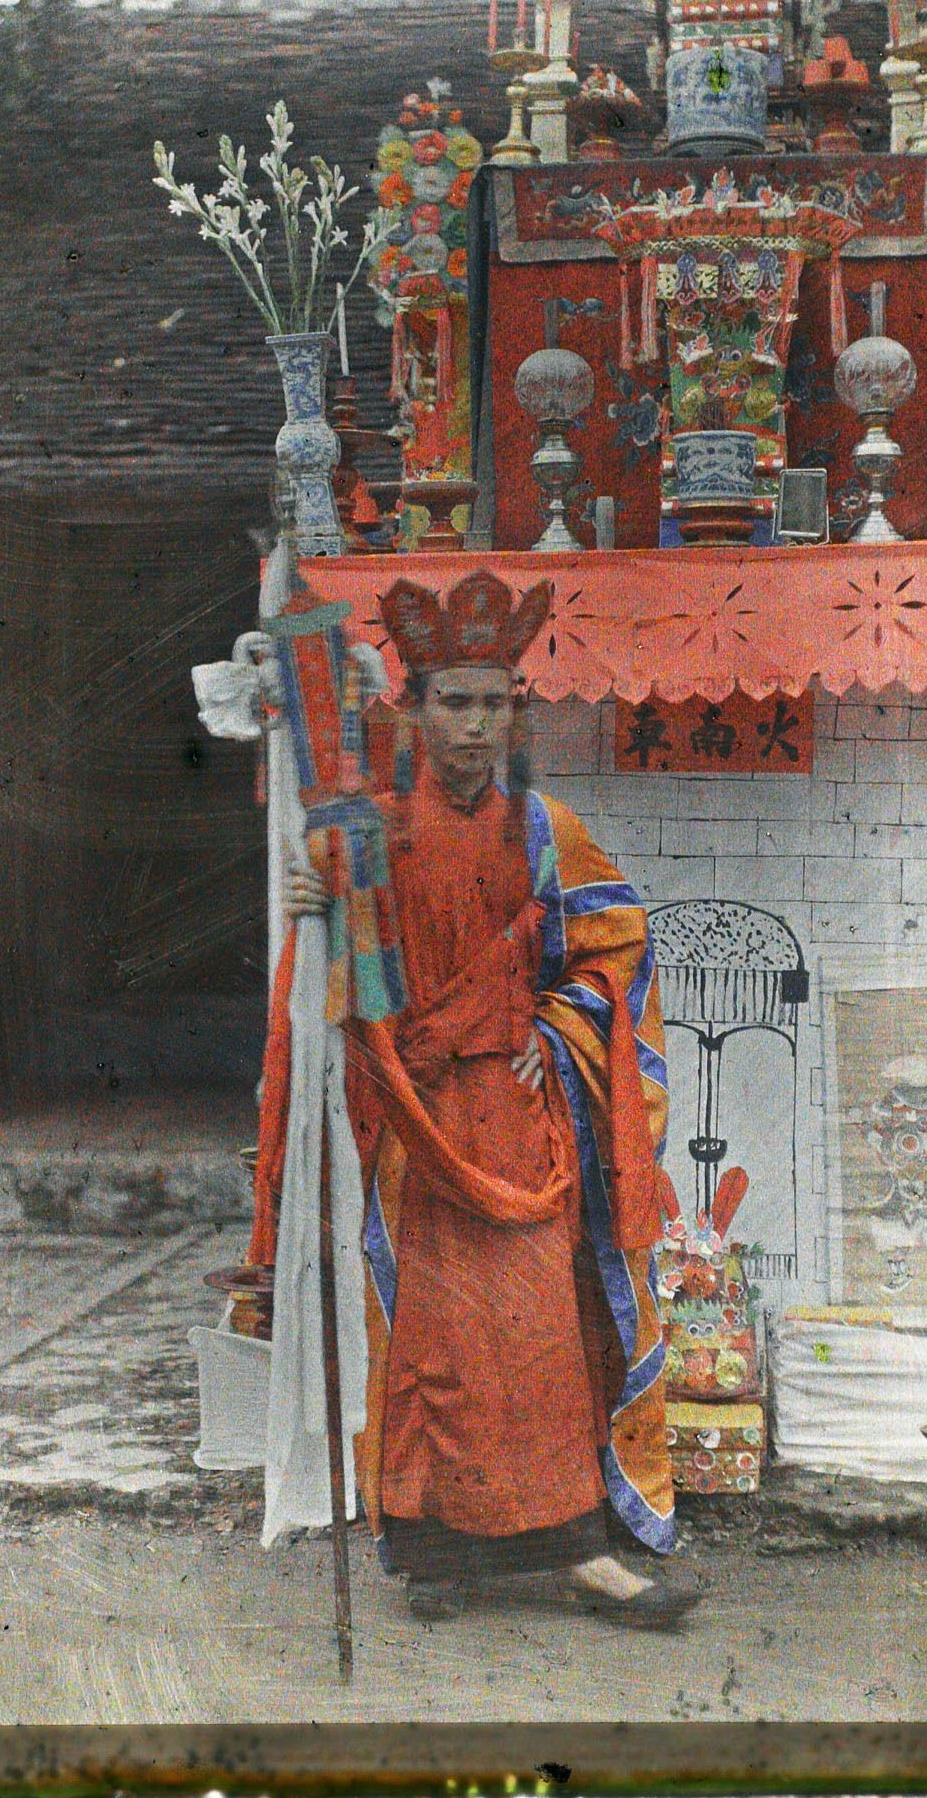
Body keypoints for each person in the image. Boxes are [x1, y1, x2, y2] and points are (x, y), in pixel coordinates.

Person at [256, 570, 695, 1628]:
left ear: (515, 708)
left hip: (517, 1112)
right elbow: (341, 993)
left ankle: (582, 1552)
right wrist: (317, 908)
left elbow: (611, 947)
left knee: (542, 1330)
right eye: (453, 700)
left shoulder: (544, 826)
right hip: (416, 1117)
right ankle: (437, 1553)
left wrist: (559, 1027)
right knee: (439, 1344)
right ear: (412, 707)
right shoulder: (368, 828)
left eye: (493, 701)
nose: (472, 724)